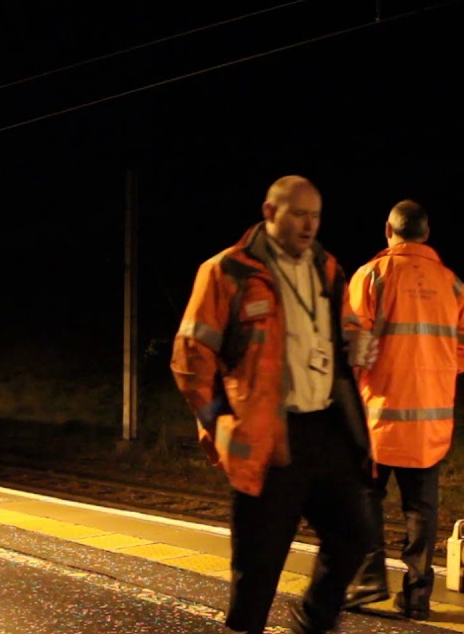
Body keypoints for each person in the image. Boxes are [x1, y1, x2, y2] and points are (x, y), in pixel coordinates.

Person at [171, 175, 373, 634]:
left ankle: (312, 623)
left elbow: (345, 322)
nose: (309, 225)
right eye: (299, 214)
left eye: (316, 215)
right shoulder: (227, 272)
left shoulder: (327, 268)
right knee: (258, 570)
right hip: (266, 436)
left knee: (354, 538)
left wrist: (356, 338)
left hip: (326, 427)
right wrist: (217, 423)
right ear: (269, 213)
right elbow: (189, 358)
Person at [341, 199, 464, 620]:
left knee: (365, 499)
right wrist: (439, 370)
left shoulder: (370, 276)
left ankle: (368, 583)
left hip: (378, 417)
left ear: (389, 230)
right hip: (430, 421)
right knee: (421, 509)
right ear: (426, 232)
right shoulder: (453, 284)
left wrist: (366, 376)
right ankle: (417, 598)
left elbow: (352, 343)